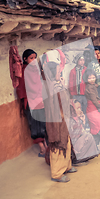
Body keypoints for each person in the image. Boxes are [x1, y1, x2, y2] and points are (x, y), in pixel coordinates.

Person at [41, 49, 77, 183]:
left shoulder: (56, 85)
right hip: (56, 121)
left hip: (63, 120)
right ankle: (56, 173)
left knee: (66, 142)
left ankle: (67, 166)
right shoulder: (49, 87)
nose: (59, 73)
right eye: (57, 71)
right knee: (57, 144)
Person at [18, 49, 47, 157]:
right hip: (32, 103)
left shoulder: (35, 70)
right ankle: (43, 148)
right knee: (36, 125)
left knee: (40, 124)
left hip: (38, 101)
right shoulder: (24, 71)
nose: (34, 60)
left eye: (35, 58)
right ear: (25, 59)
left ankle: (44, 148)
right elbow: (22, 87)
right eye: (31, 58)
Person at [83, 68, 100, 153]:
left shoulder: (91, 86)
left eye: (93, 77)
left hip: (92, 109)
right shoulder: (90, 88)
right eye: (89, 78)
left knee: (96, 129)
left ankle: (95, 147)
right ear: (86, 79)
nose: (92, 79)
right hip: (93, 109)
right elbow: (94, 100)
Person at [69, 100, 99, 164]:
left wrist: (82, 120)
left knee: (87, 135)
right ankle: (76, 159)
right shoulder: (70, 120)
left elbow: (82, 131)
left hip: (74, 144)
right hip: (70, 147)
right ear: (72, 110)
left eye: (80, 108)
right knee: (88, 136)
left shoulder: (77, 119)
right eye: (77, 108)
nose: (80, 110)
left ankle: (79, 157)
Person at [68, 54, 88, 126]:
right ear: (77, 61)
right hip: (76, 94)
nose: (82, 62)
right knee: (77, 110)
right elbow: (71, 82)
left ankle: (86, 123)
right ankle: (79, 125)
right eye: (80, 60)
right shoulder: (73, 71)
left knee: (85, 108)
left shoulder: (86, 70)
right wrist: (72, 93)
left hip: (85, 94)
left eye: (83, 60)